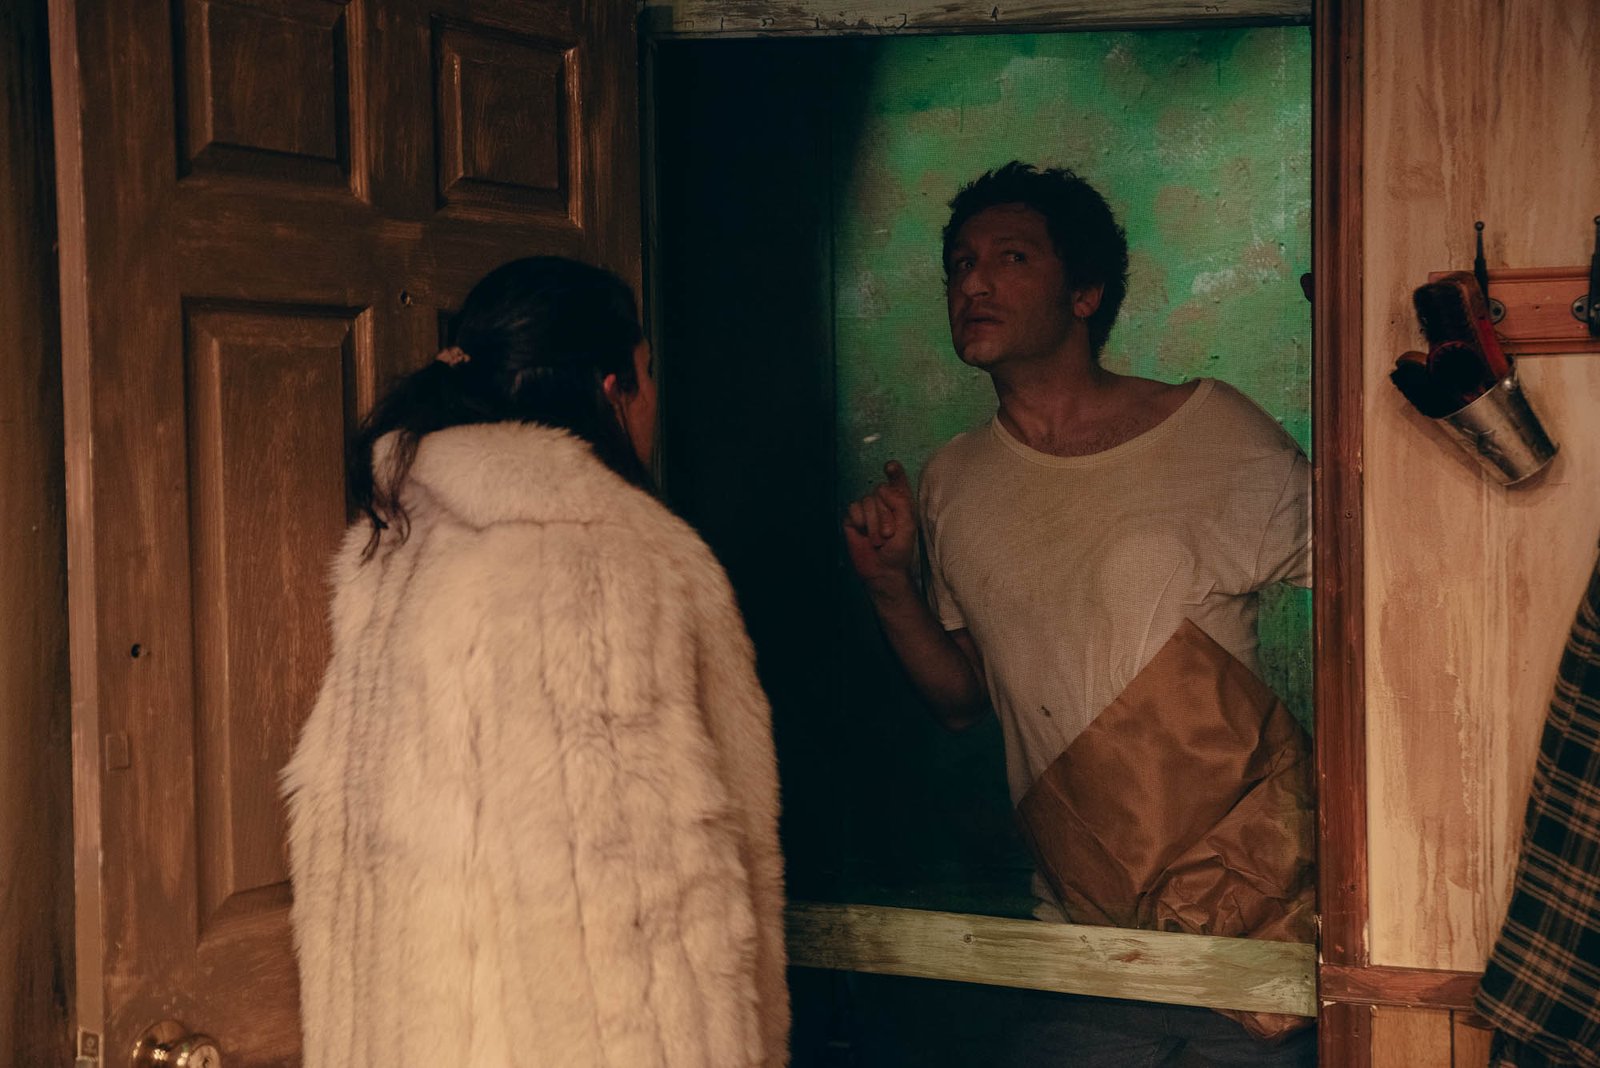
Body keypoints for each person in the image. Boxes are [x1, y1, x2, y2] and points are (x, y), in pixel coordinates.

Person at [844, 162, 1314, 1066]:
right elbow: (962, 700)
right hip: (1083, 940)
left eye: (1011, 258)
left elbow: (1378, 598)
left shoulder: (1212, 428)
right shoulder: (952, 480)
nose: (974, 283)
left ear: (1086, 293)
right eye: (959, 264)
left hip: (1254, 927)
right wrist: (891, 586)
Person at [283, 257, 788, 1068]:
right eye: (648, 371)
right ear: (612, 387)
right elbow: (640, 910)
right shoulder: (602, 561)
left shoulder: (398, 549)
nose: (654, 400)